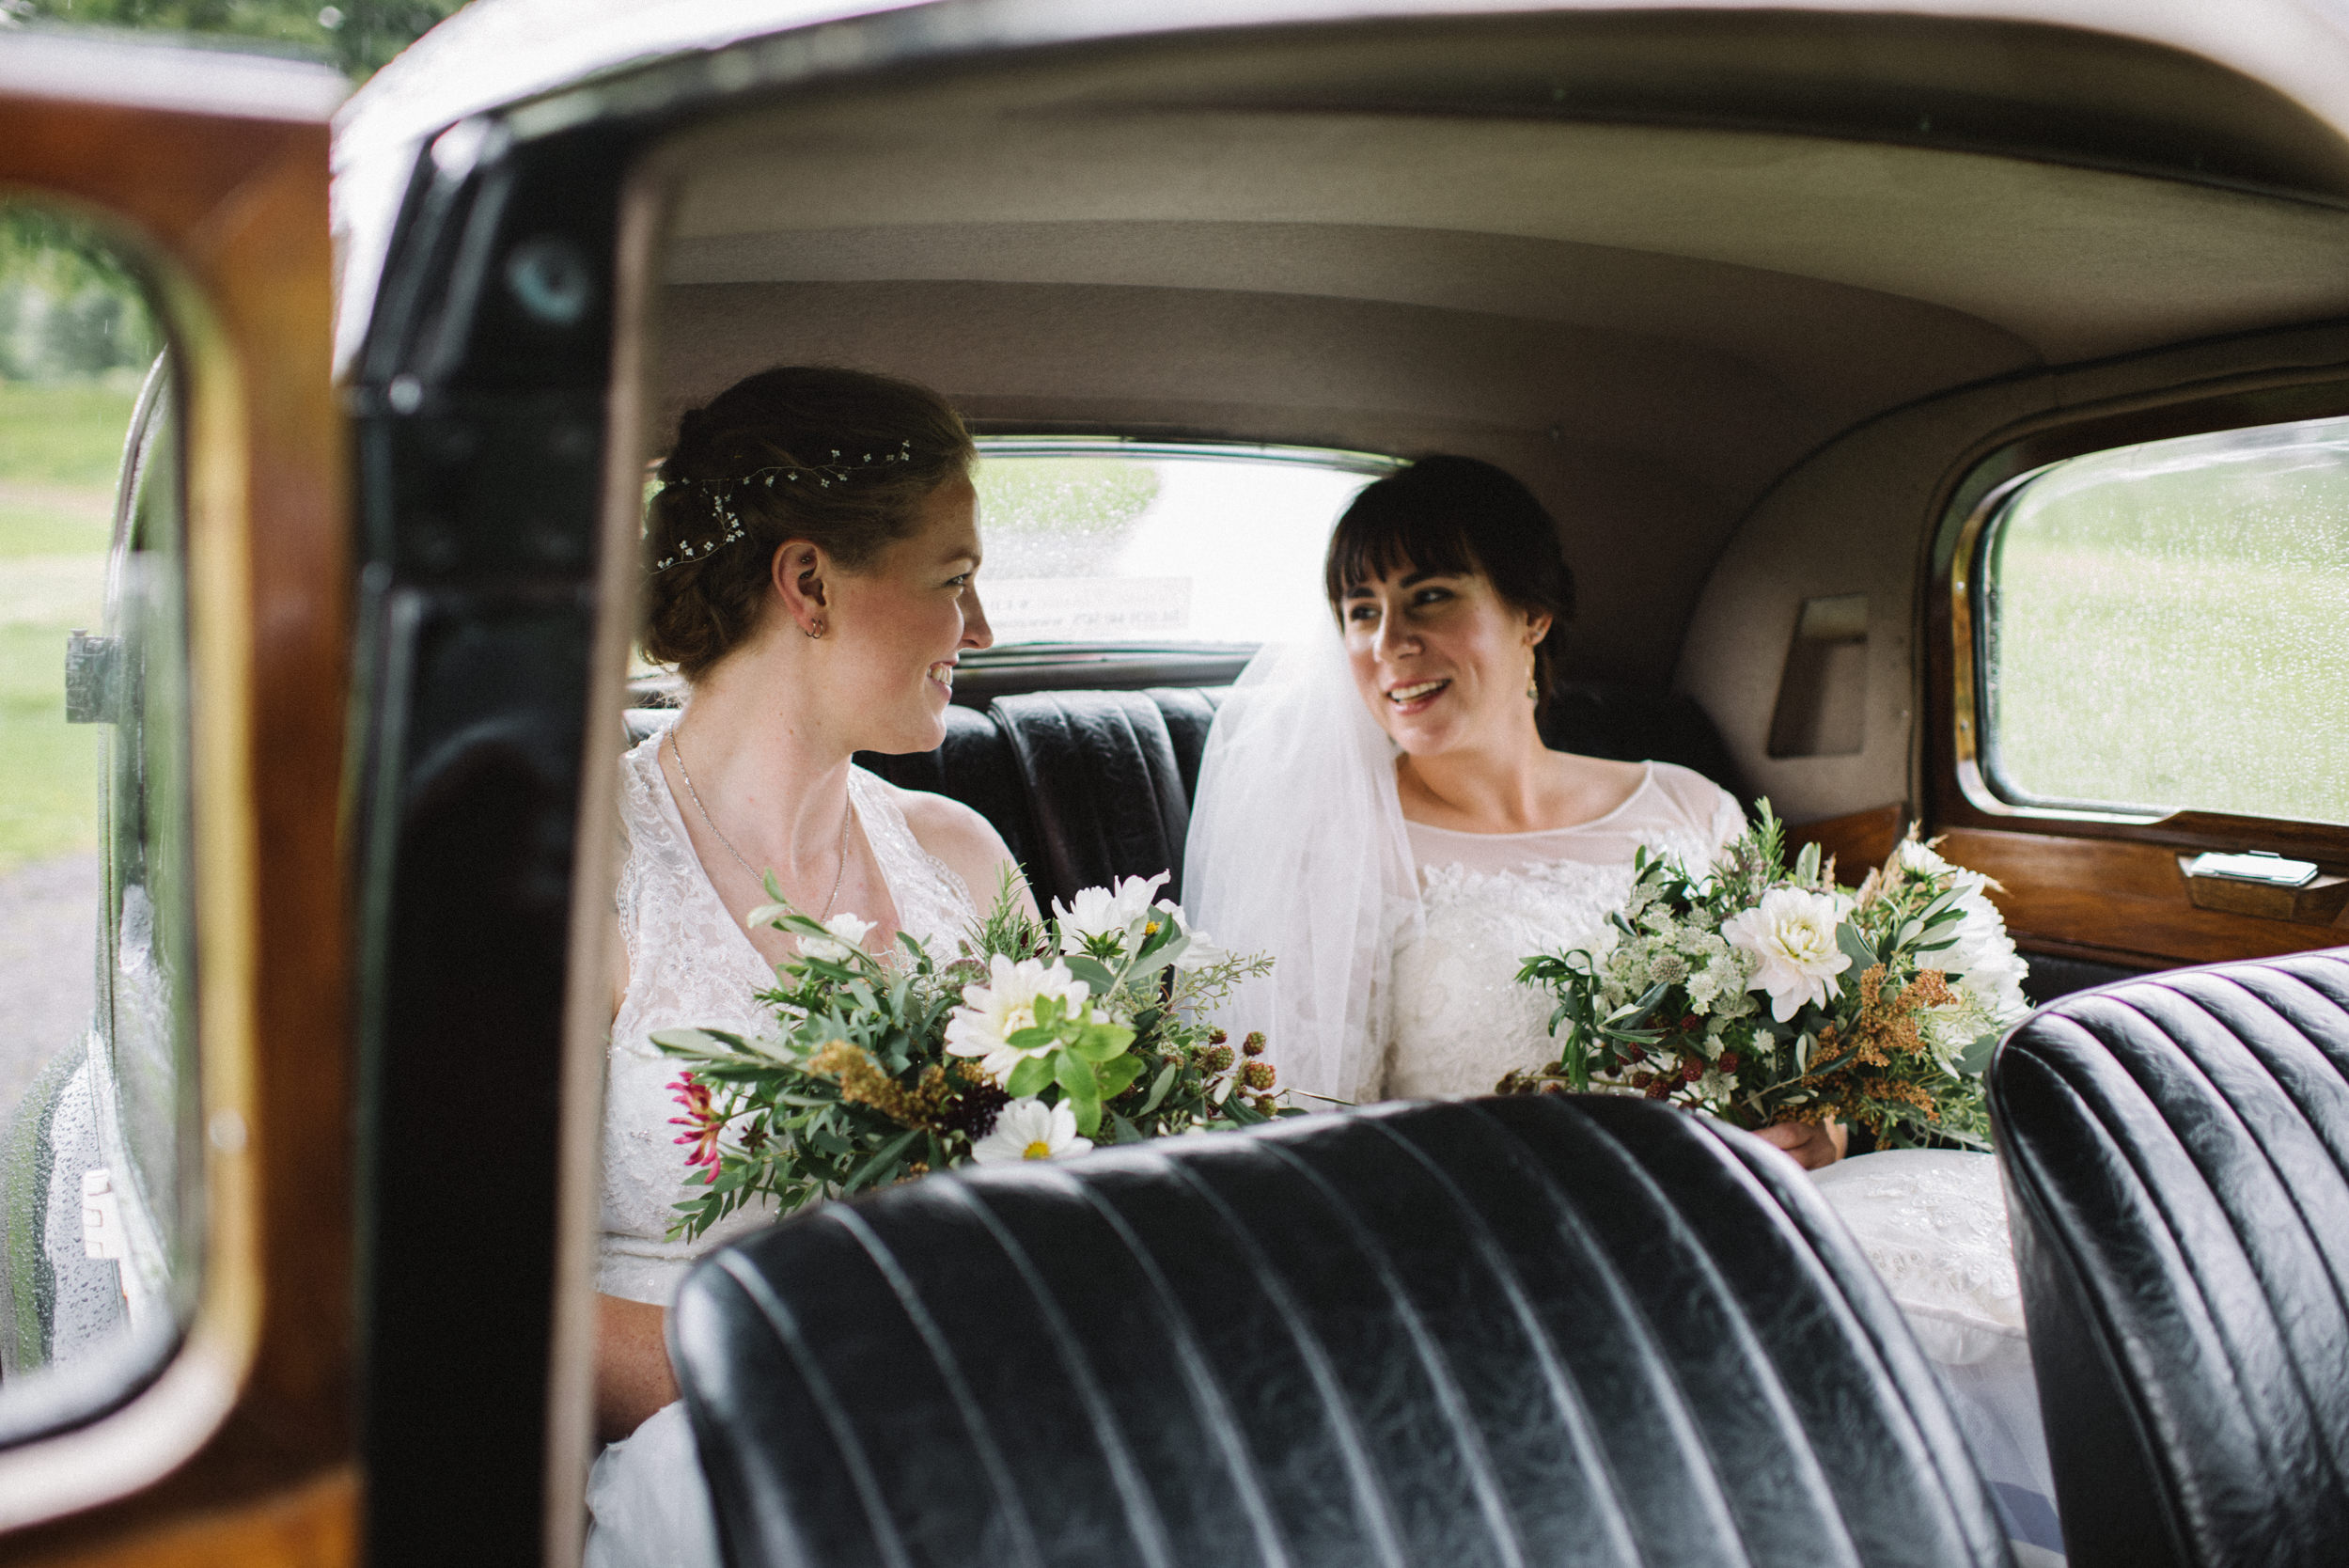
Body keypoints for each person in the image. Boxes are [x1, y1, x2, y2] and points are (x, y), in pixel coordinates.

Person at [1184, 455, 2062, 1564]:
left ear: (1533, 615)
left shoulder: (1685, 803)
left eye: (1431, 597)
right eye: (1360, 611)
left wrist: (1817, 1128)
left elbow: (1803, 1055)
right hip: (1520, 1259)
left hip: (1752, 1209)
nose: (1387, 645)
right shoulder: (1344, 852)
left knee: (2003, 1266)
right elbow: (1303, 1139)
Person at [587, 366, 1029, 1567]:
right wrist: (824, 1369)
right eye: (954, 580)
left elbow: (1061, 1170)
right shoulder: (590, 884)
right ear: (810, 583)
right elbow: (490, 1293)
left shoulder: (964, 860)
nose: (982, 631)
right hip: (708, 1457)